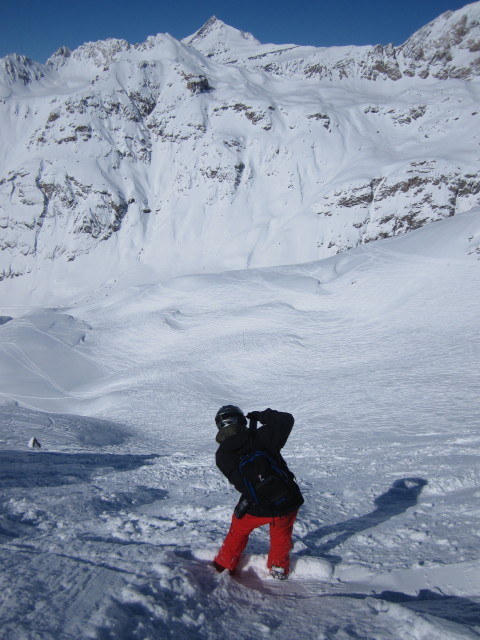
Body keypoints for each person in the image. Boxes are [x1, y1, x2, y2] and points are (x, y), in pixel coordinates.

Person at [213, 405, 304, 580]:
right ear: (241, 420)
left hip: (256, 505)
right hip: (286, 499)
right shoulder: (260, 436)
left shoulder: (222, 454)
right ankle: (279, 568)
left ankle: (223, 565)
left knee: (237, 532)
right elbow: (286, 419)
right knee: (281, 534)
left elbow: (241, 483)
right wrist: (262, 416)